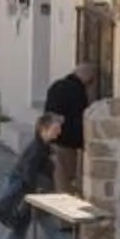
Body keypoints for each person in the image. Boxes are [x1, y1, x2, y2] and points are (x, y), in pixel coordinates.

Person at [0, 115, 76, 239]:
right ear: (43, 129)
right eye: (55, 129)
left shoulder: (43, 147)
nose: (58, 133)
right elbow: (28, 174)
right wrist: (36, 195)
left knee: (47, 228)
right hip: (27, 194)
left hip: (34, 194)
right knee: (16, 228)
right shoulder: (37, 149)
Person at [43, 67, 91, 197]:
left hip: (52, 136)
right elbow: (79, 117)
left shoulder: (56, 85)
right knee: (67, 179)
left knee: (58, 175)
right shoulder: (76, 90)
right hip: (68, 141)